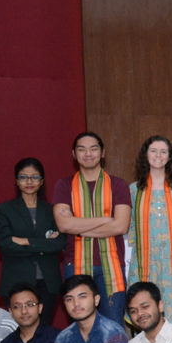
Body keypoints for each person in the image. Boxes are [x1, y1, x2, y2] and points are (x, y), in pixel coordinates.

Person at [52, 132, 131, 324]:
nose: (88, 154)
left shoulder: (118, 185)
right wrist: (105, 219)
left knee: (113, 325)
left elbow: (121, 226)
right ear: (74, 154)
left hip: (112, 265)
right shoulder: (64, 186)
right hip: (76, 264)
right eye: (82, 149)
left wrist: (78, 227)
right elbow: (64, 224)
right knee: (80, 324)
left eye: (93, 149)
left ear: (102, 153)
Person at [0, 157, 65, 324]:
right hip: (17, 280)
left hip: (48, 282)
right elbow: (6, 245)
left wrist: (26, 241)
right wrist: (44, 244)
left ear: (42, 181)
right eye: (23, 177)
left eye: (34, 177)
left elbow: (59, 243)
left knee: (43, 329)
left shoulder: (52, 210)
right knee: (20, 329)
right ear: (16, 181)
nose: (29, 181)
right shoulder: (4, 209)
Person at [128, 135, 172, 324]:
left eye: (163, 152)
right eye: (153, 151)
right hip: (147, 262)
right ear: (145, 155)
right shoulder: (134, 190)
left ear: (169, 156)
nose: (158, 155)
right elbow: (130, 226)